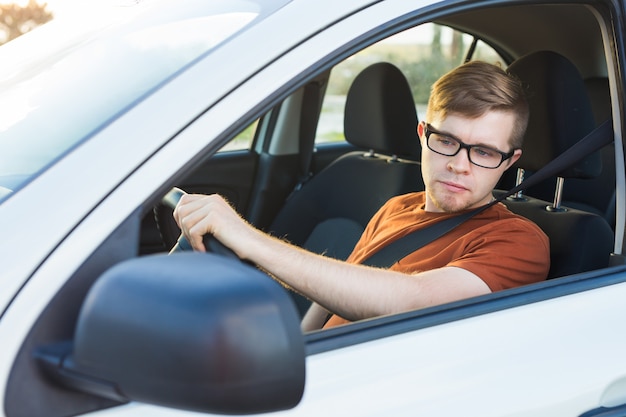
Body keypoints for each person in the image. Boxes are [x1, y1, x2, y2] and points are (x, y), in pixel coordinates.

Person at [173, 61, 550, 331]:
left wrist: (247, 240)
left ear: (510, 162)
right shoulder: (395, 207)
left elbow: (414, 301)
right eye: (446, 141)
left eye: (483, 152)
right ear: (422, 135)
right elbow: (335, 294)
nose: (459, 165)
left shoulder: (519, 242)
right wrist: (305, 347)